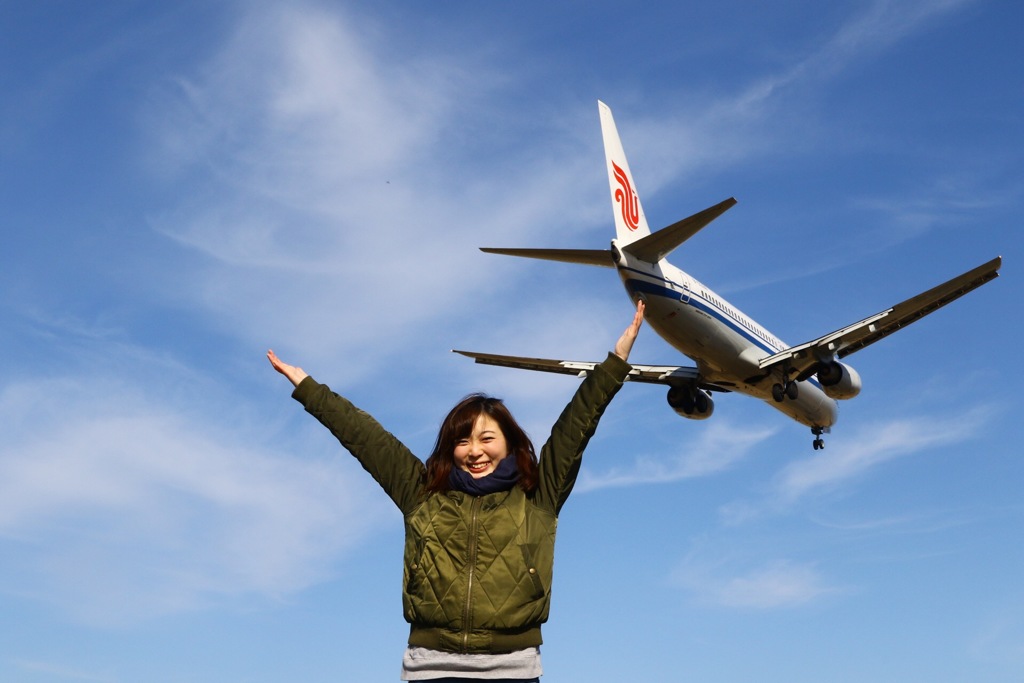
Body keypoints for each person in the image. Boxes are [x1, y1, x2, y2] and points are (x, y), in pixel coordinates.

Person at [267, 300, 645, 681]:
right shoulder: (423, 495)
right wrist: (310, 390)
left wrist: (614, 364)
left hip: (512, 669)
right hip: (430, 667)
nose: (475, 450)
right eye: (462, 441)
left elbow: (574, 430)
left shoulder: (537, 496)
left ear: (509, 443)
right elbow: (368, 440)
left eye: (486, 438)